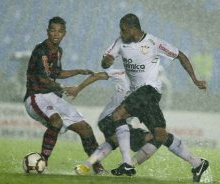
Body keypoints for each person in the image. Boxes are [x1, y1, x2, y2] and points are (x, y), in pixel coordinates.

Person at [99, 13, 208, 182]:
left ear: (133, 28)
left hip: (150, 91)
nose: (121, 33)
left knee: (117, 116)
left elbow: (181, 56)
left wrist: (194, 79)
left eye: (124, 30)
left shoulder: (154, 43)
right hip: (137, 95)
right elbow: (105, 62)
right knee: (160, 135)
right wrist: (106, 61)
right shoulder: (120, 42)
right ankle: (197, 163)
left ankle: (127, 163)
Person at [23, 16, 104, 174]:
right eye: (53, 30)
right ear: (47, 32)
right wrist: (61, 87)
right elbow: (42, 78)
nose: (56, 34)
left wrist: (79, 71)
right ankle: (43, 163)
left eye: (60, 31)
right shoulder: (40, 50)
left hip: (51, 96)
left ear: (64, 33)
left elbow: (57, 73)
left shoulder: (58, 51)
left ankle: (97, 167)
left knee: (85, 128)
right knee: (56, 120)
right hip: (36, 96)